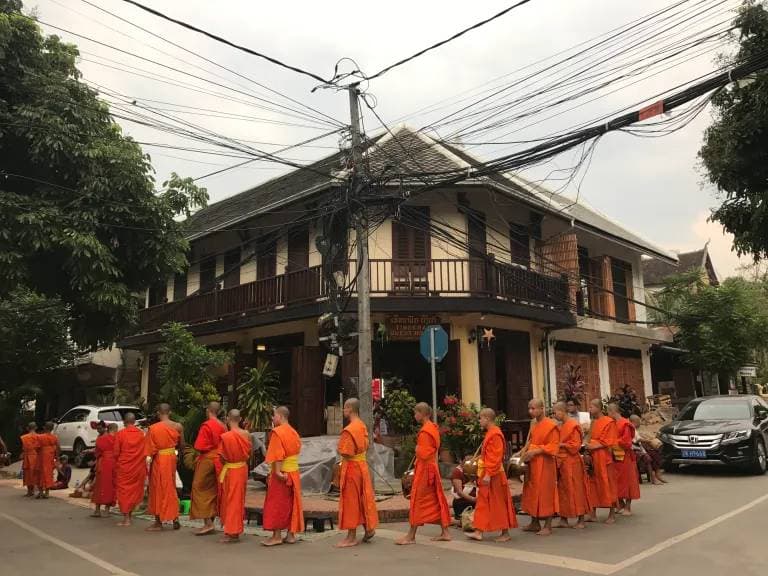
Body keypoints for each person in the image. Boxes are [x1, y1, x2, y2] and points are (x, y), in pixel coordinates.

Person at [396, 403, 451, 545]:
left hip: (425, 470)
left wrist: (417, 449)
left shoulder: (426, 431)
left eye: (416, 413)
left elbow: (424, 454)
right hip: (431, 468)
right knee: (434, 500)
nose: (414, 415)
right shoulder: (432, 428)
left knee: (417, 500)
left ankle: (411, 536)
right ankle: (445, 532)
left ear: (422, 413)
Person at [468, 408, 517, 542]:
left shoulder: (495, 434)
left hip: (494, 474)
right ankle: (478, 531)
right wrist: (478, 458)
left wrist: (488, 474)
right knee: (483, 502)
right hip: (489, 472)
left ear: (487, 418)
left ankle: (505, 533)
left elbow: (495, 457)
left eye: (480, 418)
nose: (479, 421)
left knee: (498, 503)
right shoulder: (491, 433)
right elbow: (488, 454)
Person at [336, 398, 378, 548]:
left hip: (352, 467)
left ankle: (351, 537)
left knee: (351, 501)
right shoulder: (361, 425)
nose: (343, 411)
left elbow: (346, 452)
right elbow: (366, 445)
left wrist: (339, 448)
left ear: (349, 408)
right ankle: (369, 529)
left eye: (344, 408)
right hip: (362, 466)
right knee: (362, 498)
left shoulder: (350, 429)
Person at [262, 406, 304, 546]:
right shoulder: (294, 432)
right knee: (291, 503)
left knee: (276, 503)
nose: (272, 418)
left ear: (280, 416)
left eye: (274, 415)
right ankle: (291, 535)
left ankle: (276, 536)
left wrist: (278, 472)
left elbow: (277, 454)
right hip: (293, 472)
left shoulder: (278, 432)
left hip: (282, 473)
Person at [521, 399, 560, 536]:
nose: (530, 411)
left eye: (533, 408)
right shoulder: (533, 423)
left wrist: (536, 451)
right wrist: (522, 451)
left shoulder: (551, 425)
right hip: (533, 463)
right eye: (529, 408)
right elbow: (531, 441)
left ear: (542, 408)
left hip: (545, 463)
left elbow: (554, 445)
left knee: (546, 493)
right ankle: (534, 522)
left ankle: (548, 525)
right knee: (532, 491)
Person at [145, 403, 184, 532]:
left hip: (159, 459)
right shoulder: (178, 426)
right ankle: (175, 517)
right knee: (170, 487)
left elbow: (150, 450)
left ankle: (158, 522)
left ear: (158, 413)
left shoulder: (153, 428)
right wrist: (176, 457)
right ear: (170, 412)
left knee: (157, 489)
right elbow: (182, 446)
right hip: (171, 457)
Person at [190, 401, 226, 536]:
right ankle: (210, 521)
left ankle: (208, 523)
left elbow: (199, 446)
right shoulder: (223, 425)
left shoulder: (207, 425)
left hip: (207, 459)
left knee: (199, 488)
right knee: (213, 490)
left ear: (208, 410)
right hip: (219, 460)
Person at [553, 401, 590, 529]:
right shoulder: (561, 426)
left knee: (576, 490)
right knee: (563, 490)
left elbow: (576, 446)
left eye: (555, 412)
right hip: (561, 462)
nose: (554, 415)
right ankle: (564, 519)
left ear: (562, 411)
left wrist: (561, 445)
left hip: (572, 462)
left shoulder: (573, 425)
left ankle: (581, 520)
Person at [217, 409, 252, 544]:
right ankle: (234, 530)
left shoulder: (226, 436)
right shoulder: (247, 434)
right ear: (240, 419)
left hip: (231, 470)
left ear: (227, 419)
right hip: (242, 468)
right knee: (238, 500)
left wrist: (230, 463)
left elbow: (221, 456)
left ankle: (231, 532)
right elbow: (250, 453)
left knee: (231, 500)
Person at [586, 399, 618, 524]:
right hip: (593, 457)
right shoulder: (593, 422)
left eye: (592, 407)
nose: (589, 409)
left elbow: (609, 440)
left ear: (599, 408)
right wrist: (587, 447)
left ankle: (612, 514)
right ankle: (592, 513)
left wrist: (594, 445)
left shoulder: (609, 422)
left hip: (604, 457)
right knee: (593, 485)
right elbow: (589, 438)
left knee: (608, 484)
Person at [114, 412, 148, 527]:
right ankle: (129, 515)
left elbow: (116, 453)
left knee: (124, 492)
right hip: (138, 468)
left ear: (124, 421)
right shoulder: (141, 434)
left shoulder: (120, 434)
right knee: (134, 491)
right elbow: (146, 450)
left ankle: (126, 519)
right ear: (134, 422)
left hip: (124, 468)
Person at [608, 403, 641, 516]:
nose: (608, 414)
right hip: (615, 456)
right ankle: (621, 504)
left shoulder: (625, 424)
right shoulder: (612, 424)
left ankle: (628, 507)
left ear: (613, 411)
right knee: (616, 482)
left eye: (608, 412)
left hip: (625, 457)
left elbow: (626, 442)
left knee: (628, 482)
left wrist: (612, 442)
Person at [630, 414, 666, 485]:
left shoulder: (635, 429)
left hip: (640, 448)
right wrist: (647, 441)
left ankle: (657, 474)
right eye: (638, 421)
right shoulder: (630, 429)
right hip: (633, 450)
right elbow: (637, 440)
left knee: (655, 453)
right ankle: (653, 478)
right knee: (647, 458)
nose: (639, 423)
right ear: (633, 421)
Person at [91, 423, 117, 517]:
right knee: (111, 486)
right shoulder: (117, 439)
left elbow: (97, 453)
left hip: (103, 463)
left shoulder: (100, 439)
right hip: (113, 463)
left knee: (99, 486)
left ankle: (97, 510)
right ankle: (107, 510)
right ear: (115, 429)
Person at [36, 421, 59, 499]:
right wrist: (57, 458)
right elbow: (58, 448)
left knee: (40, 473)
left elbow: (37, 447)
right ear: (52, 428)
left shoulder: (40, 437)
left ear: (45, 427)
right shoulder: (54, 437)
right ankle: (47, 493)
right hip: (50, 456)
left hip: (42, 456)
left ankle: (40, 492)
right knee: (48, 474)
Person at [20, 422, 39, 497]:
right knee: (35, 473)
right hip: (36, 456)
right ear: (36, 427)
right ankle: (34, 489)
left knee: (27, 473)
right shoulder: (39, 437)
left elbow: (23, 448)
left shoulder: (24, 437)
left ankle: (29, 491)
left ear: (27, 428)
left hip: (27, 456)